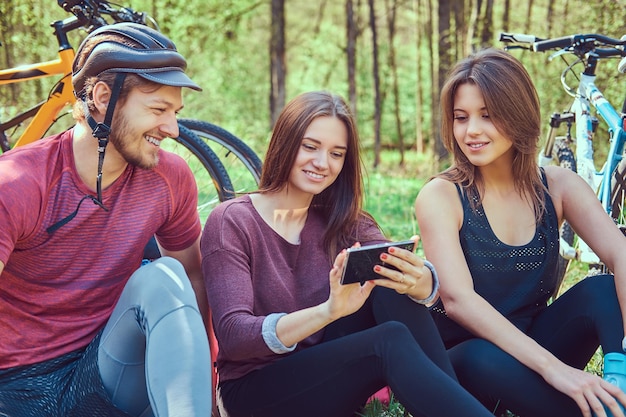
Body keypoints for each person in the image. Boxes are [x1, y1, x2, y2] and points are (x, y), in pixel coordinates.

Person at [201, 90, 496, 417]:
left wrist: (418, 279)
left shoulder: (343, 221)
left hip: (324, 378)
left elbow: (421, 287)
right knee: (388, 341)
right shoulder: (233, 221)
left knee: (389, 283)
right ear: (285, 143)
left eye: (337, 154)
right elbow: (235, 337)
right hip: (252, 391)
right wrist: (328, 311)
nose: (322, 163)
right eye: (310, 147)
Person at [0, 23, 212, 416]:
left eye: (176, 112)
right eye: (158, 110)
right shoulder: (17, 183)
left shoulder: (170, 178)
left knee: (165, 277)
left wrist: (211, 382)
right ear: (102, 97)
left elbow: (193, 280)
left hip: (106, 372)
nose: (173, 129)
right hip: (15, 388)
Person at [414, 47, 626, 417]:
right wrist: (556, 370)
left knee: (601, 289)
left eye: (488, 115)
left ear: (518, 114)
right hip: (470, 362)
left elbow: (620, 254)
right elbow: (459, 302)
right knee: (479, 356)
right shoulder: (442, 196)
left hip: (535, 347)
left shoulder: (559, 187)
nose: (472, 130)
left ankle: (618, 389)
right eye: (461, 118)